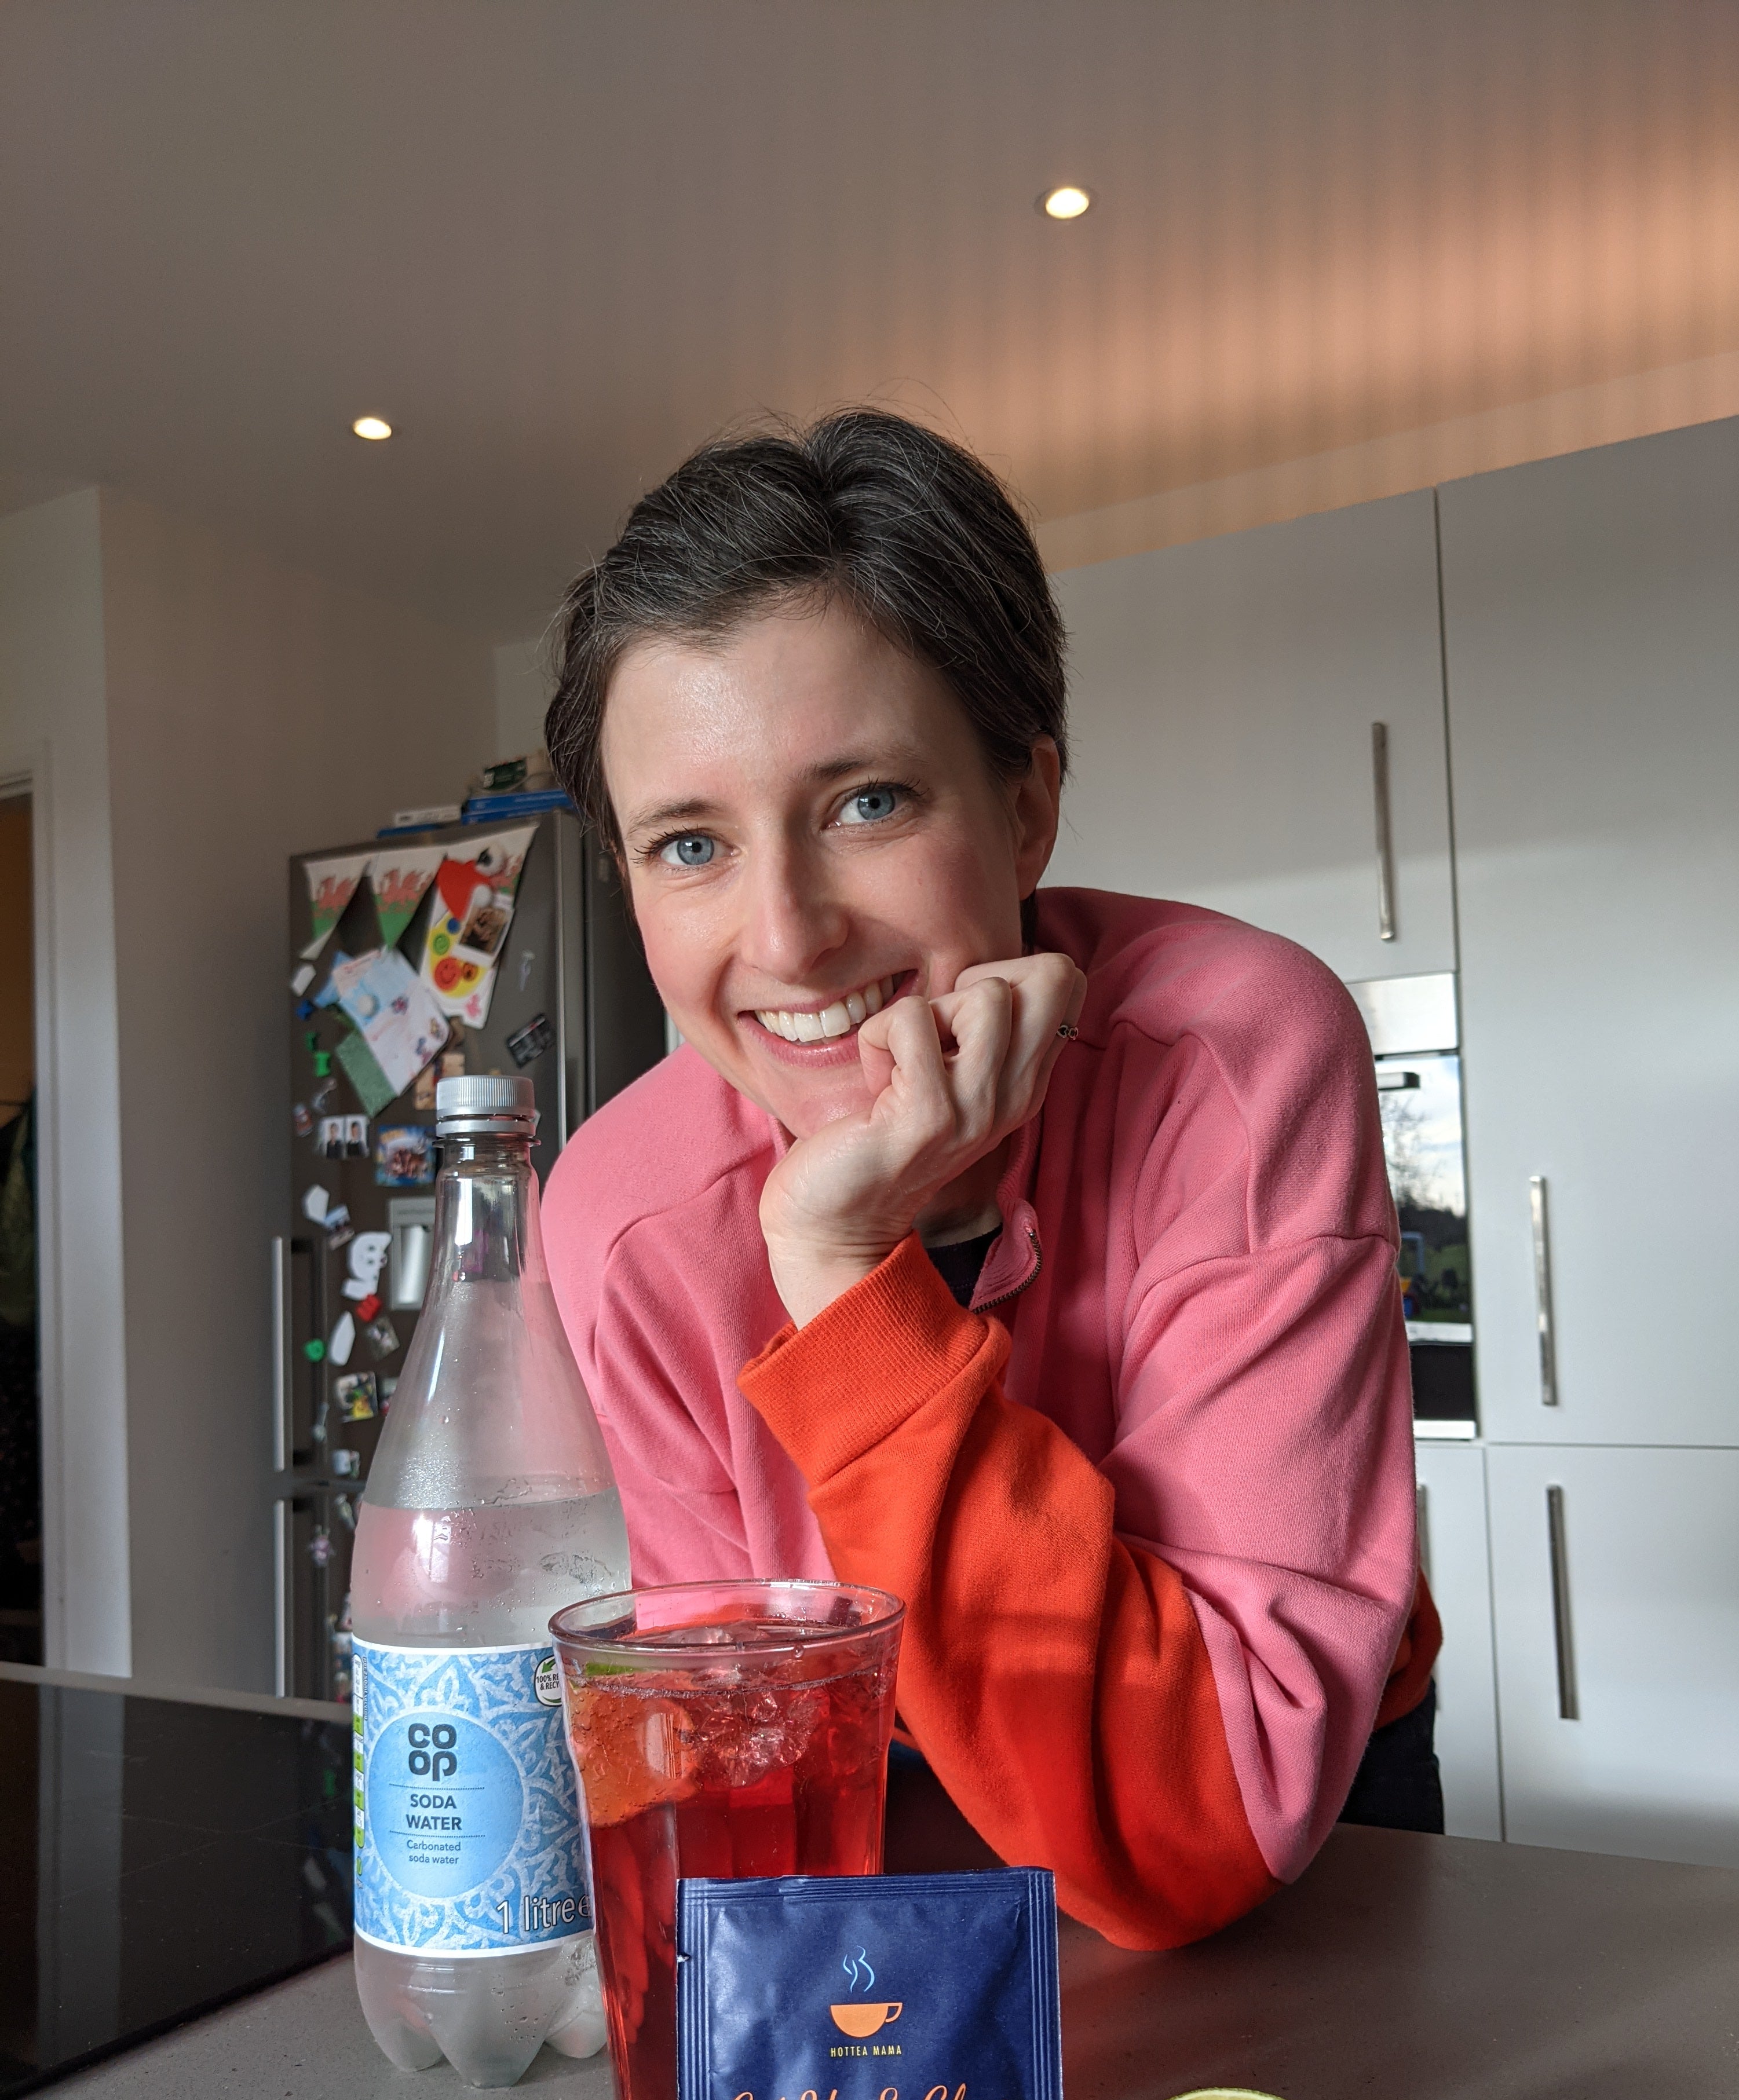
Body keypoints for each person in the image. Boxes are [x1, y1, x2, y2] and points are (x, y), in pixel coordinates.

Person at [540, 410, 1441, 1953]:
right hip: (881, 1848)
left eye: (867, 803)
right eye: (688, 846)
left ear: (1025, 808)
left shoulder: (1234, 1056)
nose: (791, 937)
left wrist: (840, 1273)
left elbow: (1202, 1818)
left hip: (1284, 1850)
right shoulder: (618, 1211)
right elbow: (732, 1749)